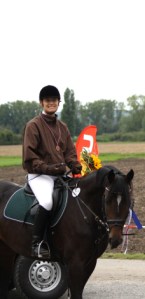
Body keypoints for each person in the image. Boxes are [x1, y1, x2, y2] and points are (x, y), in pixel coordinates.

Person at [22, 85, 82, 259]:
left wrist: (74, 163)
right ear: (42, 103)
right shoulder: (33, 126)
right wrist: (50, 168)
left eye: (54, 100)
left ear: (58, 103)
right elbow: (30, 157)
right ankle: (37, 243)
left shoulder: (63, 127)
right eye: (48, 100)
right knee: (47, 202)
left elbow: (69, 152)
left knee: (76, 199)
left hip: (60, 175)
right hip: (40, 176)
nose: (51, 103)